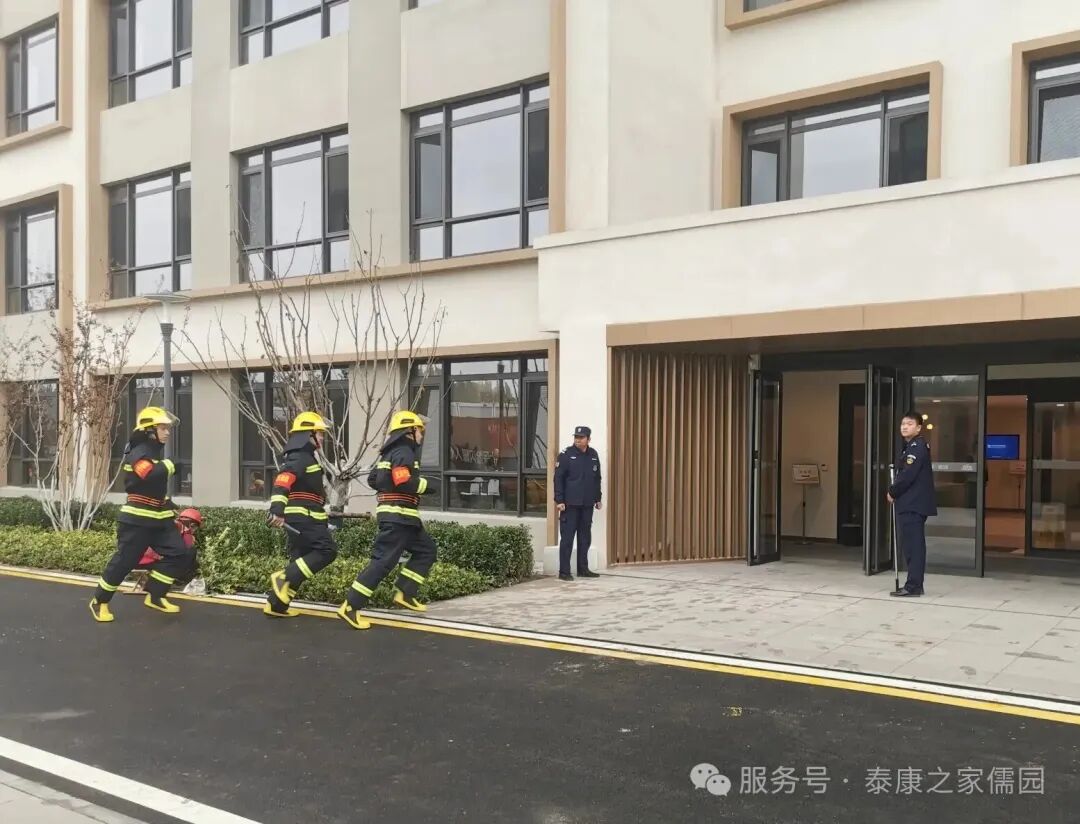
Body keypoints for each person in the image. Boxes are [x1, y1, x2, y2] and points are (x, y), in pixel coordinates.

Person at [338, 410, 440, 630]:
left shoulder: (390, 453)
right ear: (409, 431)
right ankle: (350, 606)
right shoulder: (404, 452)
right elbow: (403, 481)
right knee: (383, 562)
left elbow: (374, 479)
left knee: (427, 551)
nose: (421, 434)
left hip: (404, 518)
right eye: (419, 429)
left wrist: (388, 488)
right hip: (398, 517)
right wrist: (429, 486)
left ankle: (405, 592)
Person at [89, 407, 193, 622]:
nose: (167, 432)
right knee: (124, 562)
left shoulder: (153, 452)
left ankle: (155, 595)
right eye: (163, 428)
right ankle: (100, 601)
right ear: (149, 431)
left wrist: (167, 503)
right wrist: (170, 465)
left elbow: (151, 486)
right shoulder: (139, 451)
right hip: (137, 521)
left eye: (168, 428)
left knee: (181, 553)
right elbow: (148, 474)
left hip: (159, 519)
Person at [264, 412, 338, 618]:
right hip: (305, 517)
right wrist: (277, 510)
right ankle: (283, 578)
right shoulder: (300, 457)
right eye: (319, 433)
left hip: (305, 515)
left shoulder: (303, 457)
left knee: (301, 558)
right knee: (327, 551)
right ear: (308, 434)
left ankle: (276, 605)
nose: (322, 437)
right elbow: (282, 482)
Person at [887, 411, 937, 597]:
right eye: (903, 424)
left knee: (914, 547)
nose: (904, 427)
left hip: (913, 503)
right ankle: (915, 584)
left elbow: (908, 475)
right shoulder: (911, 446)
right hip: (911, 503)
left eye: (909, 424)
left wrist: (893, 491)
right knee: (911, 545)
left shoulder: (917, 447)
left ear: (918, 428)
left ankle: (913, 586)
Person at [553, 425, 602, 581]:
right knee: (567, 539)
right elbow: (558, 478)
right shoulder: (566, 455)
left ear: (588, 439)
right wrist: (559, 500)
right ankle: (564, 572)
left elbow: (597, 479)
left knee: (585, 538)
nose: (578, 440)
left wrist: (598, 498)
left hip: (587, 504)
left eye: (581, 437)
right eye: (576, 437)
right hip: (570, 505)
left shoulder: (593, 455)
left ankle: (583, 569)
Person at [133, 508, 203, 593]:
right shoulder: (185, 532)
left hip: (137, 560)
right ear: (192, 525)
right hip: (152, 562)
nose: (195, 531)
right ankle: (177, 582)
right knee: (191, 553)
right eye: (195, 528)